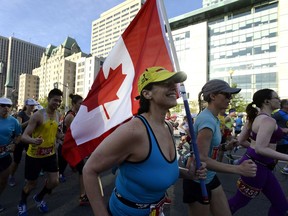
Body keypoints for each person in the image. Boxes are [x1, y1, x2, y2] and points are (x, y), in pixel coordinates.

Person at [83, 66, 207, 216]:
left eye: (174, 83)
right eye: (165, 83)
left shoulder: (167, 126)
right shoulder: (133, 131)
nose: (174, 87)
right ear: (147, 94)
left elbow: (156, 169)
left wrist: (189, 174)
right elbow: (89, 170)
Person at [183, 79, 257, 216]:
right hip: (198, 181)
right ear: (213, 96)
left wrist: (224, 147)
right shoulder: (207, 120)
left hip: (211, 177)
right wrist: (238, 169)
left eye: (231, 95)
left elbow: (209, 149)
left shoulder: (214, 118)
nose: (230, 99)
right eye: (227, 95)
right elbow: (202, 158)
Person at [229, 89, 288, 216]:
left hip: (260, 166)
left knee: (281, 205)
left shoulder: (258, 118)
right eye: (276, 98)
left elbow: (243, 141)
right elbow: (260, 148)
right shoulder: (268, 120)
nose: (279, 100)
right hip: (255, 168)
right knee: (236, 203)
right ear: (267, 101)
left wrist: (282, 131)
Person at [17, 88, 63, 216]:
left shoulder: (58, 114)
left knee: (54, 182)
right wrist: (33, 141)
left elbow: (55, 132)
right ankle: (22, 202)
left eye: (59, 101)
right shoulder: (38, 115)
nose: (57, 103)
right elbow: (24, 136)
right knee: (31, 184)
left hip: (50, 154)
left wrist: (61, 136)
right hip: (35, 156)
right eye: (55, 100)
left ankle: (39, 197)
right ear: (48, 100)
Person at [57, 93, 89, 205]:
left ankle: (82, 196)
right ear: (74, 104)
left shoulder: (77, 114)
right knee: (57, 175)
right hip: (66, 148)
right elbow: (74, 134)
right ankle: (46, 189)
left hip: (73, 148)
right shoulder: (70, 116)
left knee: (82, 170)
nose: (82, 104)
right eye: (80, 103)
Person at [8, 98, 38, 187]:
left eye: (33, 105)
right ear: (26, 105)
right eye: (31, 105)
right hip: (20, 139)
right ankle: (11, 176)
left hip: (29, 139)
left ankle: (28, 178)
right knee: (17, 160)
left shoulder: (34, 114)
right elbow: (19, 126)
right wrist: (29, 121)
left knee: (30, 160)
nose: (32, 107)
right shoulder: (21, 114)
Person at [0, 97, 22, 212]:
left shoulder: (14, 121)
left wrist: (14, 143)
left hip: (4, 156)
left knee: (3, 181)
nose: (6, 108)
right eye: (2, 105)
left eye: (8, 106)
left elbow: (18, 135)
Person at [272, 99, 288, 174]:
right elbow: (269, 124)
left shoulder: (287, 114)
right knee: (276, 157)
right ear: (284, 105)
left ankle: (286, 168)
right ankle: (269, 169)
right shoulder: (278, 114)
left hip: (287, 140)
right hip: (281, 140)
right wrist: (281, 129)